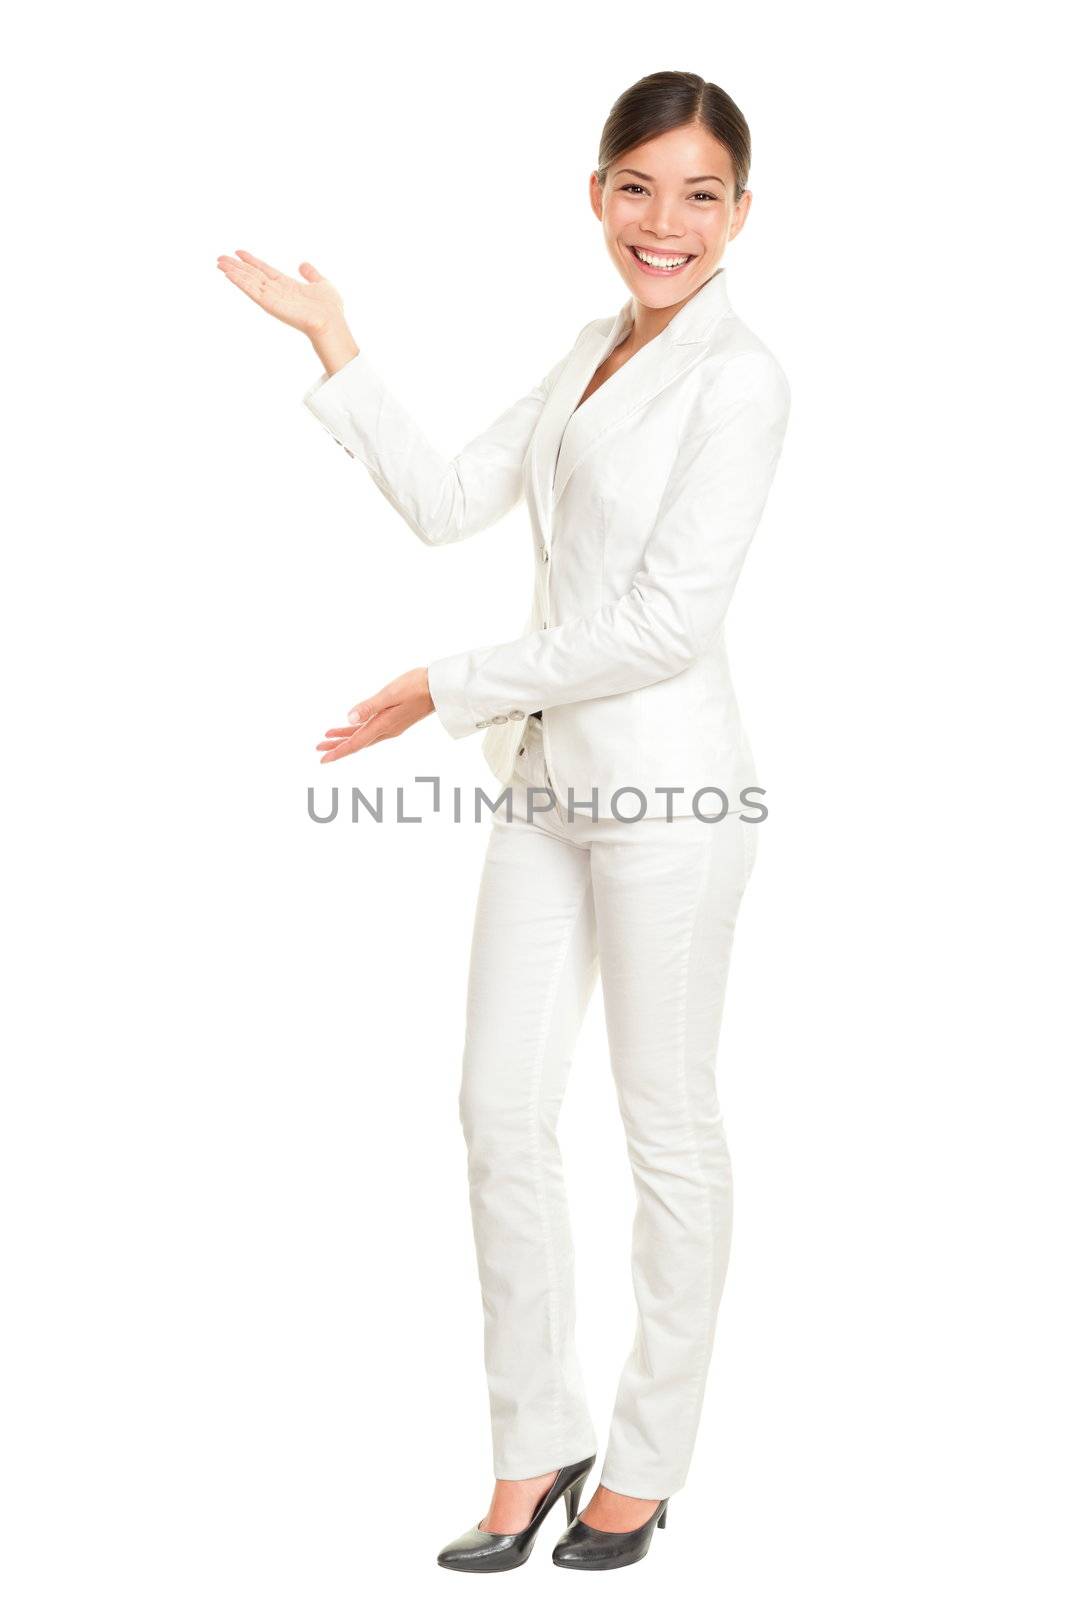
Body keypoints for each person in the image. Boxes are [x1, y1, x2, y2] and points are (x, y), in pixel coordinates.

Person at [217, 69, 791, 1573]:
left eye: (700, 195)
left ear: (744, 212)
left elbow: (666, 623)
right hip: (547, 785)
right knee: (496, 1113)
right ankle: (535, 1438)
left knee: (664, 1129)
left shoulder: (742, 382)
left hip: (672, 790)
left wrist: (444, 681)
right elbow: (450, 496)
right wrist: (336, 343)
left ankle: (646, 1462)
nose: (663, 224)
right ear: (597, 193)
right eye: (638, 187)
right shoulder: (591, 349)